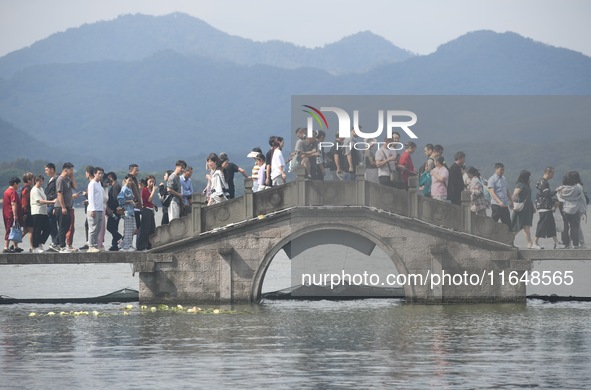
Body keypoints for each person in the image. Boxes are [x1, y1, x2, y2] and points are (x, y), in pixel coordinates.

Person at [533, 167, 564, 249]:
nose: (553, 176)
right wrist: (557, 190)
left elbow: (545, 195)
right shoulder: (543, 182)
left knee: (551, 226)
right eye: (552, 174)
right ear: (548, 173)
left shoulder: (541, 181)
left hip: (545, 207)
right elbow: (547, 194)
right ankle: (534, 243)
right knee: (542, 225)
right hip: (544, 207)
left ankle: (557, 243)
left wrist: (553, 202)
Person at [557, 171, 587, 249]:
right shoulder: (577, 187)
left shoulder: (562, 189)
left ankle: (566, 243)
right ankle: (576, 244)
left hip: (565, 209)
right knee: (575, 227)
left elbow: (558, 196)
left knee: (565, 227)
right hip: (576, 209)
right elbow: (581, 194)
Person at [510, 170, 537, 249]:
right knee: (519, 226)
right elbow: (515, 195)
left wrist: (533, 207)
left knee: (525, 226)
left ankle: (529, 243)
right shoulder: (520, 185)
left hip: (528, 208)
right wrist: (511, 203)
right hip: (522, 208)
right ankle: (529, 243)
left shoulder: (526, 185)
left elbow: (528, 198)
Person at [54, 162, 77, 253]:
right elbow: (59, 194)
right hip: (61, 207)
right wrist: (63, 207)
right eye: (71, 170)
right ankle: (61, 246)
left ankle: (58, 244)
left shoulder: (67, 179)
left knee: (67, 227)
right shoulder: (60, 179)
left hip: (68, 206)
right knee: (62, 227)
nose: (72, 171)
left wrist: (72, 177)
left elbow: (75, 187)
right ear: (66, 170)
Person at [30, 175, 53, 253]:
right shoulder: (34, 190)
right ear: (36, 181)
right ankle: (35, 246)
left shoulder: (41, 189)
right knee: (37, 229)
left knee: (48, 229)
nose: (41, 182)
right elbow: (40, 201)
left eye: (42, 181)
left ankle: (40, 243)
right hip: (37, 212)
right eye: (39, 181)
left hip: (43, 212)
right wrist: (52, 202)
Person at [488, 162, 512, 228]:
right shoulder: (492, 179)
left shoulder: (504, 178)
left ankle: (507, 236)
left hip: (504, 204)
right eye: (501, 169)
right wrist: (499, 202)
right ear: (496, 169)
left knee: (508, 223)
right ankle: (488, 234)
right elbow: (492, 192)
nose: (502, 171)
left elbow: (507, 191)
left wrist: (511, 201)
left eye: (503, 170)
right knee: (493, 221)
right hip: (496, 204)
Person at [86, 167, 105, 253]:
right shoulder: (92, 184)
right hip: (93, 209)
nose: (100, 175)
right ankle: (91, 246)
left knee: (98, 228)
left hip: (100, 209)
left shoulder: (99, 183)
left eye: (102, 173)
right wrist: (93, 209)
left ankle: (96, 244)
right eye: (99, 173)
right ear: (94, 174)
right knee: (93, 228)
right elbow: (91, 197)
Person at [3, 177, 23, 253]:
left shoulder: (6, 191)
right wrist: (15, 215)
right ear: (15, 183)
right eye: (18, 184)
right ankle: (6, 247)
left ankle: (15, 246)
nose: (18, 186)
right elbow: (13, 204)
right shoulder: (13, 192)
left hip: (6, 213)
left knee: (14, 229)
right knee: (10, 229)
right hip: (11, 214)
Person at [137, 175, 157, 251]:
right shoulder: (145, 190)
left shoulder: (150, 190)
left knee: (152, 228)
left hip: (150, 210)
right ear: (147, 182)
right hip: (146, 210)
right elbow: (149, 200)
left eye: (153, 181)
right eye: (150, 181)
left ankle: (149, 245)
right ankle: (142, 246)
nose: (152, 183)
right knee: (145, 229)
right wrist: (154, 191)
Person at [118, 174, 136, 252]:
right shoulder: (124, 189)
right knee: (128, 230)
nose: (130, 182)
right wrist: (130, 201)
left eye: (131, 181)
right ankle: (125, 246)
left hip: (131, 211)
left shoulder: (130, 189)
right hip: (127, 212)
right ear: (125, 180)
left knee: (133, 229)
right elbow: (120, 200)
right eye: (129, 180)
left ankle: (128, 244)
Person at [44, 163, 59, 251]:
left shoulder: (57, 180)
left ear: (52, 169)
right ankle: (55, 242)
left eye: (46, 170)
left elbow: (58, 194)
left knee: (53, 225)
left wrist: (54, 206)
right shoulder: (51, 180)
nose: (45, 172)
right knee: (51, 225)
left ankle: (55, 243)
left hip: (53, 205)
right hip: (49, 204)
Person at [105, 172, 122, 251]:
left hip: (115, 211)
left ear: (110, 177)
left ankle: (120, 238)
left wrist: (112, 210)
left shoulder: (116, 186)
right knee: (114, 228)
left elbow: (115, 199)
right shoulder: (114, 186)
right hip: (115, 210)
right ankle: (114, 245)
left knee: (110, 227)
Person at [20, 172, 35, 251]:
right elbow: (24, 202)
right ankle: (32, 247)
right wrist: (26, 212)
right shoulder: (27, 189)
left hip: (25, 212)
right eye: (32, 179)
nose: (34, 181)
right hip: (28, 212)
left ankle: (14, 243)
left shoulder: (25, 188)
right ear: (29, 180)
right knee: (31, 230)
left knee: (25, 230)